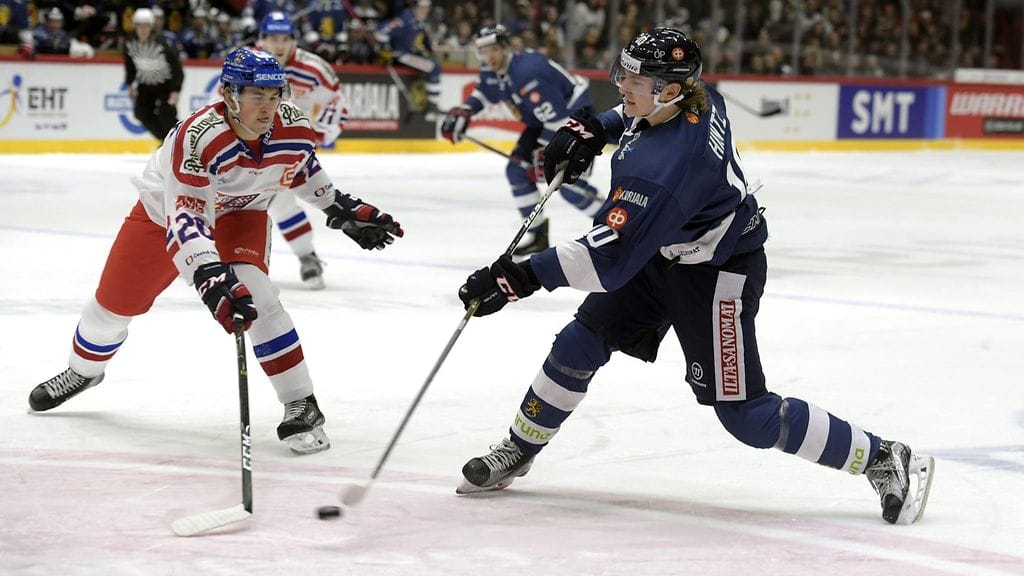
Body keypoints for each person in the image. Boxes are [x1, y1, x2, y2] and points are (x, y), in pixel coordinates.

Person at [454, 28, 934, 525]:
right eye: (624, 72)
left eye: (634, 79)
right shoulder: (699, 98)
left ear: (667, 90)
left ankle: (883, 456)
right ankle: (520, 447)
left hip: (716, 273)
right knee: (579, 343)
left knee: (748, 415)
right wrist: (595, 128)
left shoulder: (665, 167)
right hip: (663, 251)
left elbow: (606, 262)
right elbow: (631, 117)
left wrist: (517, 277)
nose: (621, 84)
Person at [28, 48, 404, 455]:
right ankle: (82, 372)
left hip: (242, 214)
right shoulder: (197, 136)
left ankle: (301, 402)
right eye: (256, 95)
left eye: (274, 94)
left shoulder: (292, 124)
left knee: (258, 294)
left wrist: (338, 207)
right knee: (109, 308)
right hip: (164, 216)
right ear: (228, 93)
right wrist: (208, 275)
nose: (268, 106)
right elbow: (186, 219)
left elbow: (300, 166)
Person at [441, 25, 604, 257]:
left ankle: (614, 225)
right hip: (544, 122)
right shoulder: (494, 69)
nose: (489, 57)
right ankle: (538, 235)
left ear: (506, 47)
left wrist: (544, 154)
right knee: (517, 169)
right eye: (484, 52)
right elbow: (485, 90)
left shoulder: (527, 74)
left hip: (576, 119)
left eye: (494, 50)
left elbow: (559, 120)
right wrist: (467, 110)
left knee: (567, 184)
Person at [251, 10, 347, 289]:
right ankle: (306, 256)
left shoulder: (314, 67)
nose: (279, 45)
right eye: (272, 38)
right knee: (273, 202)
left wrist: (319, 133)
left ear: (294, 39)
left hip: (291, 148)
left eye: (285, 38)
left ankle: (305, 256)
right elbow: (220, 101)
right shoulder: (246, 63)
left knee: (278, 200)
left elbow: (337, 102)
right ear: (261, 39)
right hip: (249, 145)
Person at [124, 8, 183, 141]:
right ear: (135, 26)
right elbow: (130, 65)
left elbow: (177, 68)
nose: (143, 30)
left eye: (146, 26)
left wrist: (175, 90)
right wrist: (130, 83)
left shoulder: (161, 43)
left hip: (165, 85)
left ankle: (180, 139)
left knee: (166, 114)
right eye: (140, 26)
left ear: (151, 26)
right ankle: (166, 141)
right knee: (140, 112)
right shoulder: (129, 43)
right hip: (145, 84)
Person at [376, 0, 441, 118]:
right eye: (422, 8)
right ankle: (432, 107)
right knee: (434, 67)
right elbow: (381, 32)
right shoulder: (405, 18)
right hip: (401, 55)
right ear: (415, 7)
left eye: (427, 8)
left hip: (410, 54)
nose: (425, 11)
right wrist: (385, 49)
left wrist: (428, 50)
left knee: (432, 62)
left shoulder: (420, 21)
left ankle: (432, 105)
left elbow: (423, 42)